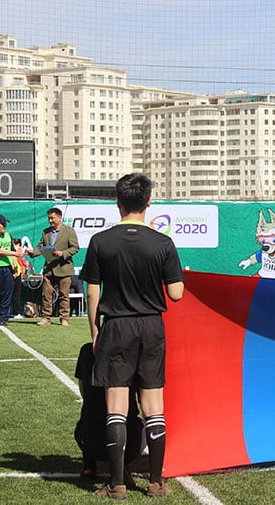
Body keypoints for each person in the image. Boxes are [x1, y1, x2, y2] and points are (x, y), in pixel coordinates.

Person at [80, 173, 184, 499]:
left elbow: (93, 293)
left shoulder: (101, 241)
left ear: (117, 203)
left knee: (117, 407)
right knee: (154, 406)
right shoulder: (163, 243)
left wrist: (95, 330)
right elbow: (177, 293)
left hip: (116, 326)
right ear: (149, 203)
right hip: (152, 326)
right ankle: (155, 482)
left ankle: (117, 484)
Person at [74, 342, 143, 485]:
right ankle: (125, 463)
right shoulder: (133, 352)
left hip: (90, 440)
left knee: (86, 419)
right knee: (151, 419)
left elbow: (83, 388)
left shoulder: (86, 351)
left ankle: (89, 465)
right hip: (130, 443)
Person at [29, 207, 80, 327]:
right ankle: (46, 318)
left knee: (64, 295)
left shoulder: (69, 231)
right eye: (49, 218)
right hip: (49, 269)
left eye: (52, 218)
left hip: (64, 268)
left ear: (59, 217)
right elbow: (41, 247)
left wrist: (63, 254)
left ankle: (64, 318)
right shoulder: (45, 232)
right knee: (46, 295)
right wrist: (33, 253)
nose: (50, 220)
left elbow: (75, 247)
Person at [11, 237, 31, 319]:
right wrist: (27, 264)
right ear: (19, 243)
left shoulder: (9, 249)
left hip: (9, 272)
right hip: (17, 272)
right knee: (16, 293)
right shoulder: (19, 250)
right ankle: (17, 312)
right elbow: (23, 260)